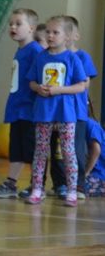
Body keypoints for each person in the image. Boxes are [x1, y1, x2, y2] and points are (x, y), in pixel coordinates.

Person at [25, 15, 86, 207]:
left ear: (67, 37)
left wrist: (59, 90)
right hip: (43, 112)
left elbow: (80, 86)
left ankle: (72, 190)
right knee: (41, 151)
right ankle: (37, 189)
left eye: (55, 32)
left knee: (68, 151)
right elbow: (32, 82)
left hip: (66, 114)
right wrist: (38, 88)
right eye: (48, 32)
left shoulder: (72, 59)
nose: (50, 36)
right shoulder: (40, 57)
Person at [0, 8, 43, 199]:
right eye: (11, 23)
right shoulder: (21, 51)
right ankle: (11, 183)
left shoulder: (36, 51)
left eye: (18, 23)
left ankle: (38, 186)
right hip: (17, 109)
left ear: (31, 28)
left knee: (32, 150)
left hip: (30, 110)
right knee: (16, 149)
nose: (13, 27)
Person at [48, 15, 98, 199]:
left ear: (73, 35)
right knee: (56, 150)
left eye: (58, 32)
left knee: (75, 150)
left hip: (76, 112)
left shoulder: (82, 57)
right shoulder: (49, 56)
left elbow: (84, 84)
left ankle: (78, 185)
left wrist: (60, 90)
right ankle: (59, 183)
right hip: (55, 111)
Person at [84, 118, 105, 197]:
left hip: (101, 172)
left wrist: (86, 172)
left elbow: (96, 150)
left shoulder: (90, 124)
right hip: (97, 170)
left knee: (79, 188)